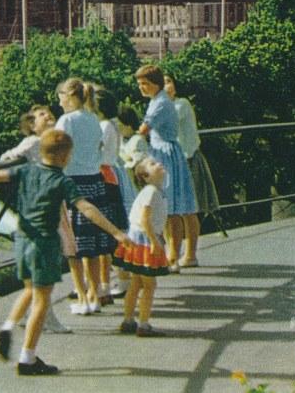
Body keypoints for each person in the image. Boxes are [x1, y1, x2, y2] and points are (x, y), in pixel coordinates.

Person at [0, 129, 131, 375]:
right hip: (45, 244)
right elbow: (86, 208)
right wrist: (116, 233)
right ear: (65, 156)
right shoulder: (62, 181)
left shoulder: (25, 170)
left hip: (23, 240)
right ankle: (28, 358)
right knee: (42, 300)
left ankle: (7, 328)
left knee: (29, 290)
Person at [0, 104, 73, 334]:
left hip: (47, 201)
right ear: (32, 125)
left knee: (39, 275)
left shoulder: (51, 140)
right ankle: (46, 319)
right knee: (43, 272)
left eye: (49, 113)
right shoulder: (33, 142)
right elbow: (9, 156)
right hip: (42, 206)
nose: (48, 115)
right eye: (41, 115)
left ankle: (32, 317)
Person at [55, 77, 120, 313]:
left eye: (61, 94)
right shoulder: (93, 119)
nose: (59, 100)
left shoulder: (67, 120)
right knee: (93, 246)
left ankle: (83, 297)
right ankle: (94, 294)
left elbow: (57, 149)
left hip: (73, 183)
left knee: (75, 246)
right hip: (95, 181)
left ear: (70, 96)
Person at [134, 64, 198, 273]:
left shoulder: (160, 103)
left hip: (165, 154)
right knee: (171, 208)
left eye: (145, 84)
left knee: (171, 209)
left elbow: (144, 129)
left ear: (155, 84)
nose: (141, 88)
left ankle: (173, 256)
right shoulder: (158, 100)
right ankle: (173, 255)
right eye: (140, 84)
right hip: (166, 151)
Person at [164, 74, 220, 268]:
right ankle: (172, 253)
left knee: (188, 210)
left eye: (168, 81)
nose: (165, 85)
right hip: (170, 162)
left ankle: (190, 254)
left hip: (187, 160)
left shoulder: (181, 104)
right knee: (170, 211)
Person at [112, 156, 170, 337]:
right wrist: (154, 241)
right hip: (144, 239)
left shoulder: (154, 191)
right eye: (153, 164)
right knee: (149, 284)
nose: (159, 164)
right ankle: (143, 325)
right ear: (145, 176)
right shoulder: (151, 192)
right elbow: (145, 219)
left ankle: (128, 320)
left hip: (137, 238)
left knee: (136, 282)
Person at [90, 88, 128, 304]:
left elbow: (98, 152)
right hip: (111, 173)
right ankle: (113, 280)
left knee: (108, 230)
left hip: (103, 174)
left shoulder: (105, 126)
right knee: (113, 229)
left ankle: (118, 280)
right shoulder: (112, 124)